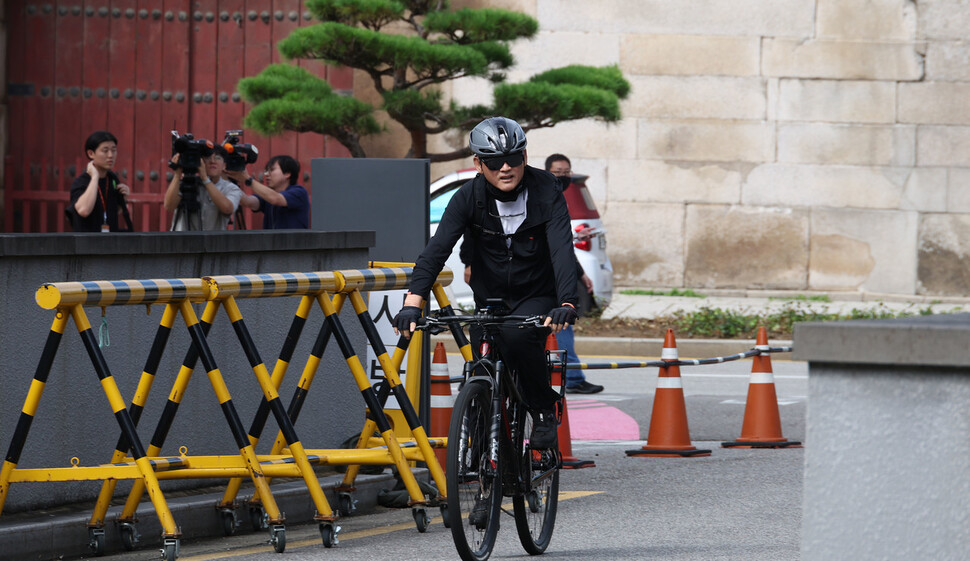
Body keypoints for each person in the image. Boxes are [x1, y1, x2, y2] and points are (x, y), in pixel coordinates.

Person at [393, 116, 579, 449]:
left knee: (518, 337)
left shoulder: (546, 189)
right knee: (479, 367)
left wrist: (566, 302)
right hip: (490, 297)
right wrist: (412, 304)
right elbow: (434, 253)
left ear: (524, 157)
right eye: (494, 161)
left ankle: (542, 408)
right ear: (479, 163)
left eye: (513, 158)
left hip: (536, 293)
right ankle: (482, 462)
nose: (505, 168)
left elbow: (563, 251)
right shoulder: (468, 197)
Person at [544, 153, 604, 394]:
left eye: (566, 172)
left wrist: (580, 274)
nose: (562, 176)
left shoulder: (558, 199)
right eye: (557, 172)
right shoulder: (544, 198)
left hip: (558, 275)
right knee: (561, 324)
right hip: (544, 277)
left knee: (560, 325)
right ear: (547, 172)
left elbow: (564, 246)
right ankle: (572, 377)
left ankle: (571, 376)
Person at [163, 146, 243, 231]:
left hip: (211, 242)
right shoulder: (187, 183)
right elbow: (169, 206)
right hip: (181, 242)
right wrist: (177, 174)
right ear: (200, 162)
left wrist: (205, 179)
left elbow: (227, 208)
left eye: (217, 158)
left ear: (224, 166)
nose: (212, 161)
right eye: (208, 158)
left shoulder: (231, 188)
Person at [69, 131, 132, 232]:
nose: (110, 155)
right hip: (88, 243)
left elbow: (111, 211)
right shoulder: (81, 182)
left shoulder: (112, 178)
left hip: (110, 242)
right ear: (91, 153)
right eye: (105, 150)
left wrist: (123, 199)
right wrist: (94, 177)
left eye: (114, 150)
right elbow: (83, 210)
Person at [227, 155, 309, 229]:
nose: (266, 174)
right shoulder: (267, 195)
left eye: (272, 170)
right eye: (266, 171)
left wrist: (247, 179)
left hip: (294, 245)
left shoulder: (299, 192)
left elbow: (275, 199)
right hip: (272, 244)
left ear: (287, 174)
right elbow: (247, 201)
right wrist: (226, 181)